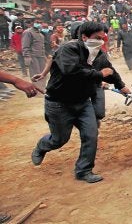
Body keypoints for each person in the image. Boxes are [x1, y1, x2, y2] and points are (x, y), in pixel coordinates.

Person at [30, 22, 118, 183]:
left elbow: (111, 71)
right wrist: (99, 75)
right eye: (97, 38)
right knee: (59, 139)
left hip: (83, 102)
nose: (100, 41)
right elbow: (71, 72)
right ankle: (42, 146)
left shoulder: (97, 53)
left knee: (91, 135)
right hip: (59, 104)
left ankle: (84, 170)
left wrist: (124, 88)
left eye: (103, 38)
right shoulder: (68, 49)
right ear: (84, 37)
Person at [21, 18, 47, 89]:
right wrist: (27, 57)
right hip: (33, 56)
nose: (39, 23)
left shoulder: (40, 34)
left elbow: (42, 47)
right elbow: (25, 46)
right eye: (37, 22)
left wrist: (44, 56)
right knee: (35, 73)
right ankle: (37, 89)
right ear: (32, 23)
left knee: (43, 73)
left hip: (41, 56)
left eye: (40, 22)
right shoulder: (28, 32)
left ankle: (42, 88)